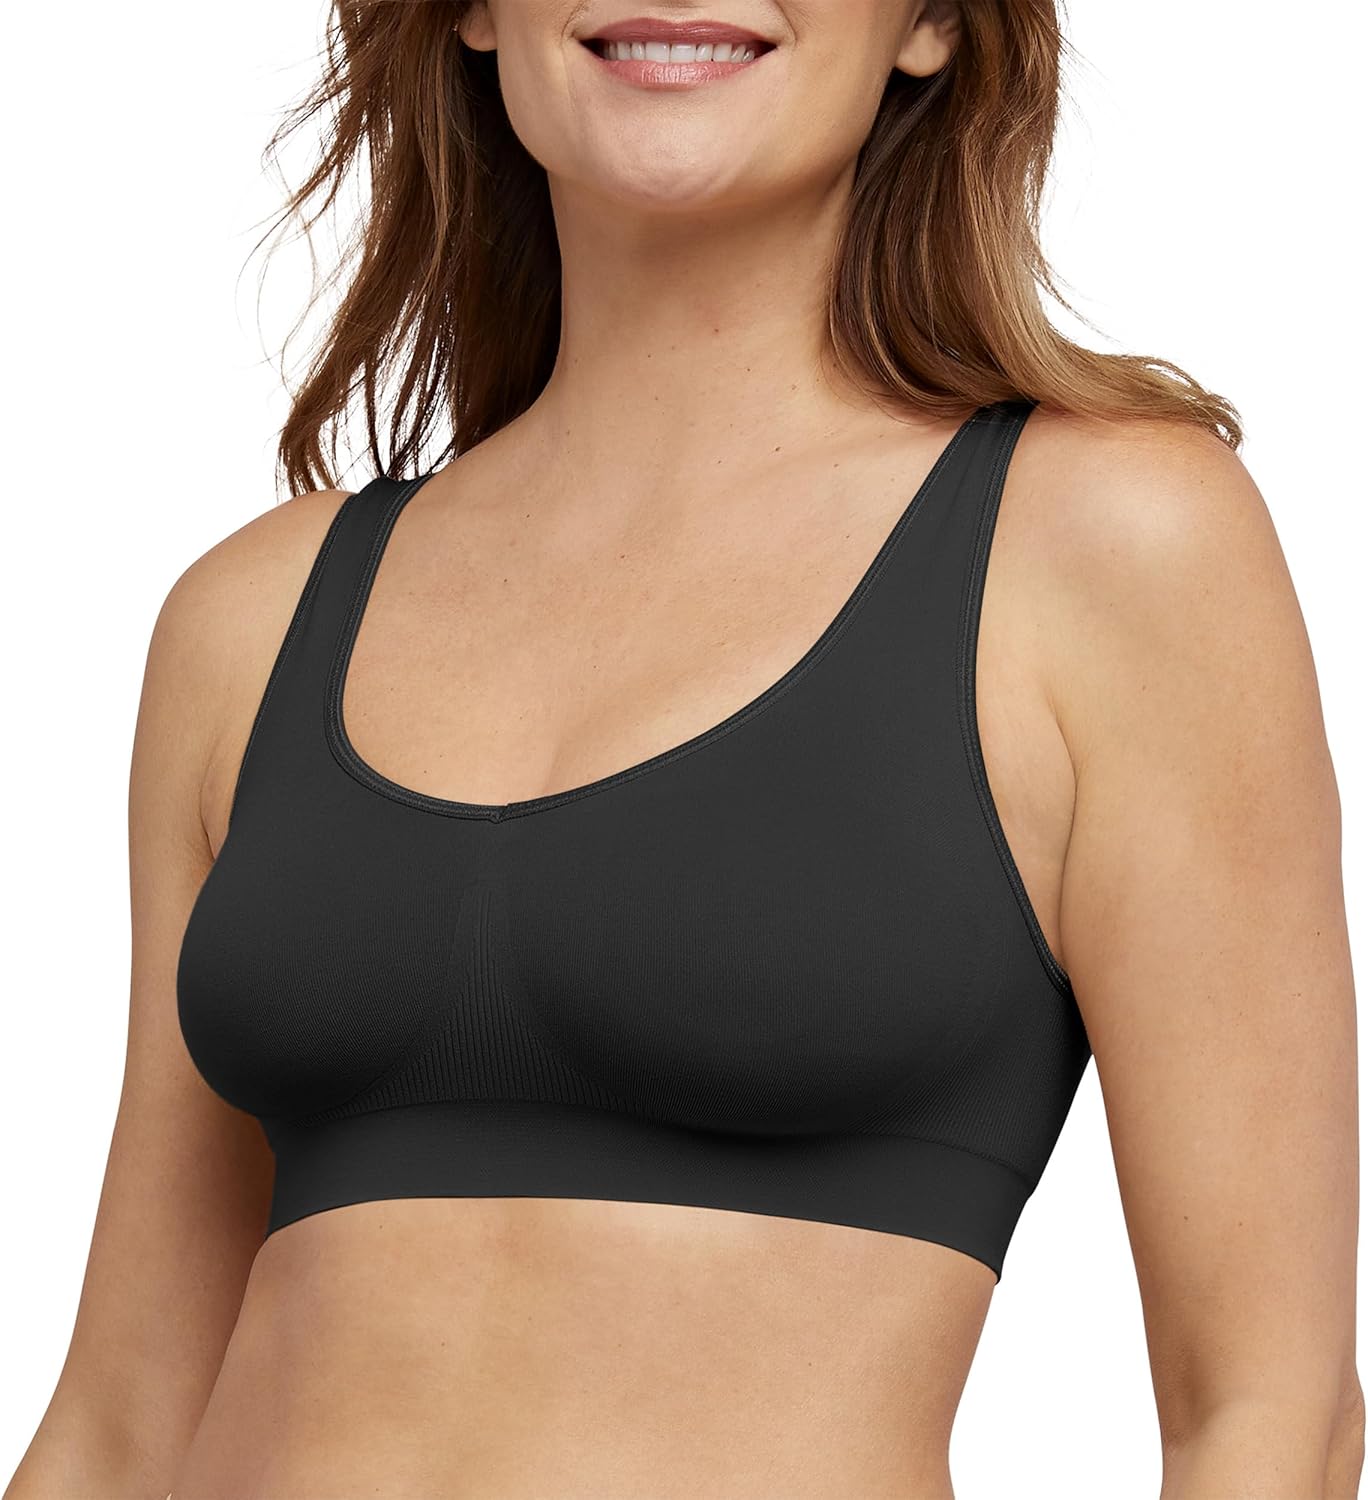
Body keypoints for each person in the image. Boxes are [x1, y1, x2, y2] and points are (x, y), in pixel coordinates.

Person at [5, 2, 1361, 1497]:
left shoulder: (1108, 546)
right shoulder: (251, 620)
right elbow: (118, 1427)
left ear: (927, 22)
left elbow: (1268, 1416)